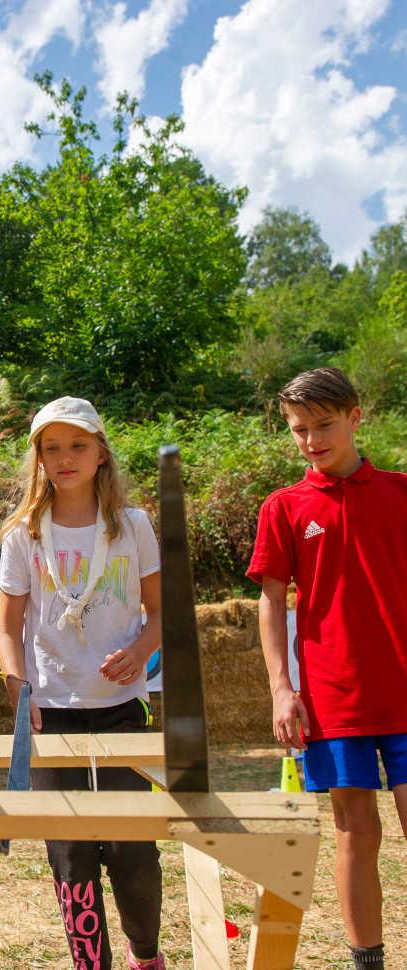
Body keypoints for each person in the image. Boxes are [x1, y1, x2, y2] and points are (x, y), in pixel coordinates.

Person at [0, 396, 165, 970]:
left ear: (100, 453)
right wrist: (18, 688)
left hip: (122, 706)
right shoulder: (24, 534)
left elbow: (163, 613)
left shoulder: (132, 525)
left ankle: (146, 955)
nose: (65, 458)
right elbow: (7, 630)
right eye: (52, 448)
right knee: (70, 855)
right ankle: (90, 964)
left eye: (77, 446)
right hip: (52, 711)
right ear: (38, 459)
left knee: (131, 848)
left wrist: (141, 650)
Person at [247, 367, 407, 970]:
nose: (312, 439)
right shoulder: (284, 507)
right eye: (299, 429)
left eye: (324, 425)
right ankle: (368, 961)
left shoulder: (401, 491)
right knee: (356, 833)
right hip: (333, 697)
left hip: (405, 690)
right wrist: (281, 688)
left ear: (356, 416)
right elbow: (270, 602)